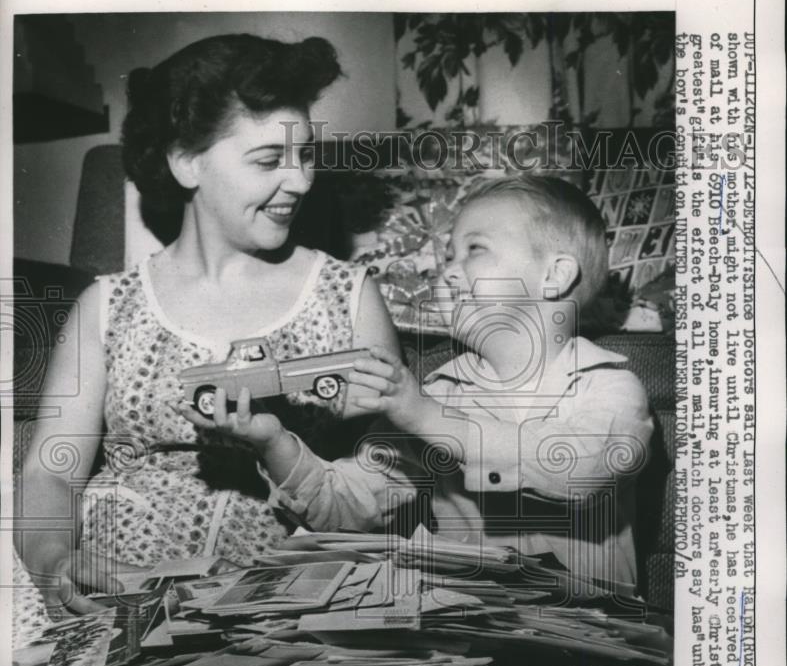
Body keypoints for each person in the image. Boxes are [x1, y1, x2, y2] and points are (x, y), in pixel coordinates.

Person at [14, 33, 398, 617]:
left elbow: (389, 479)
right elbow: (51, 468)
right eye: (270, 160)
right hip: (115, 598)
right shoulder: (106, 306)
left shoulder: (349, 298)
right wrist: (53, 562)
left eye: (306, 155)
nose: (300, 181)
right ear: (186, 162)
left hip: (288, 611)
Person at [195, 176, 654, 589]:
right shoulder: (438, 392)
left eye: (475, 249)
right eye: (446, 257)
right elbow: (347, 510)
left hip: (587, 646)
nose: (448, 271)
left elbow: (581, 470)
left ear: (554, 276)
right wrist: (273, 440)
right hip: (470, 641)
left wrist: (424, 416)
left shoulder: (608, 385)